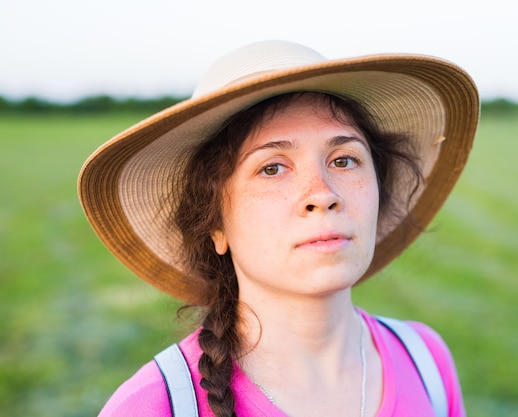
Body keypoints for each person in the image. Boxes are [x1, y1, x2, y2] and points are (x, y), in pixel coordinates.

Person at [79, 40, 479, 417]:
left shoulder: (425, 358)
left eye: (343, 160)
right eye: (271, 168)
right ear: (214, 224)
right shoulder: (153, 406)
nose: (322, 194)